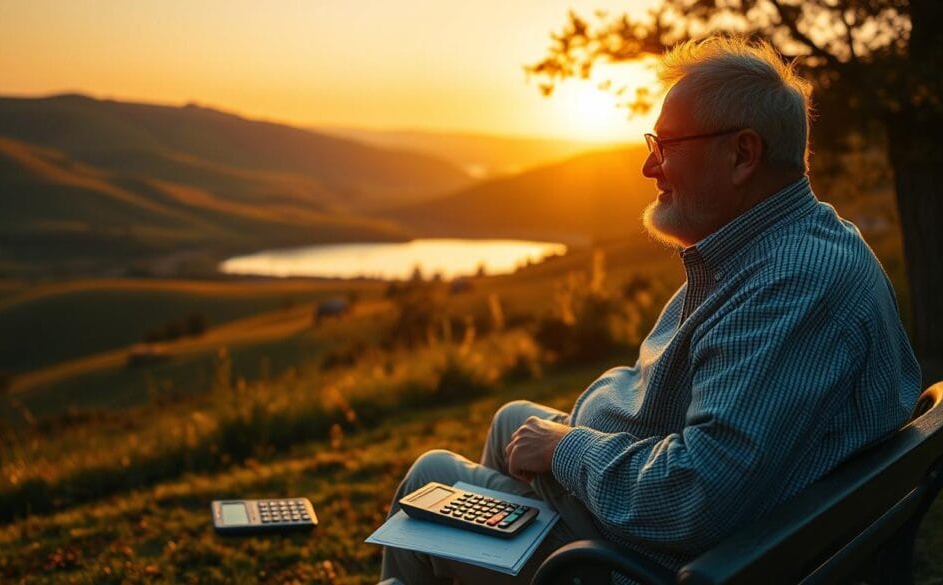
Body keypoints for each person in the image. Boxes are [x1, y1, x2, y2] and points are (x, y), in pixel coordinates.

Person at [379, 36, 922, 585]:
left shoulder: (791, 287)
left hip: (634, 561)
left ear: (742, 154)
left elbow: (697, 495)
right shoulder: (790, 245)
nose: (647, 167)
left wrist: (570, 448)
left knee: (432, 477)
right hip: (664, 520)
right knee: (511, 422)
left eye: (666, 146)